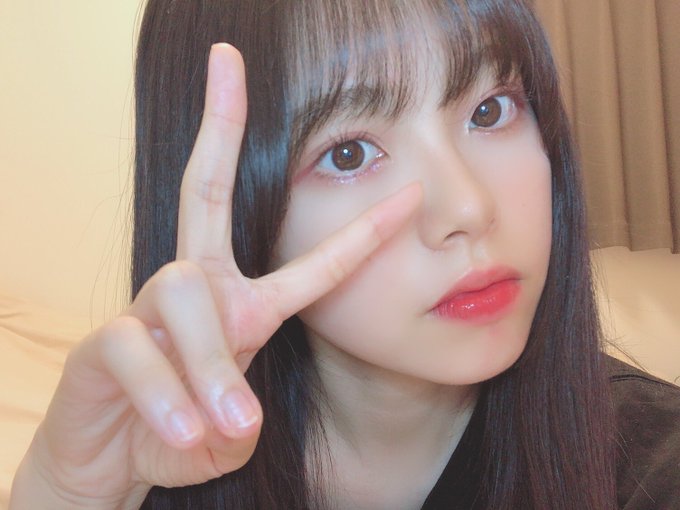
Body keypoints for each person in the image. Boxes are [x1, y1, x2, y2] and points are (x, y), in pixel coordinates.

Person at [9, 0, 680, 509]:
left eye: (490, 110)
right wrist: (63, 493)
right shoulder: (160, 458)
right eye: (349, 153)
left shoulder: (653, 467)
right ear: (244, 210)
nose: (468, 208)